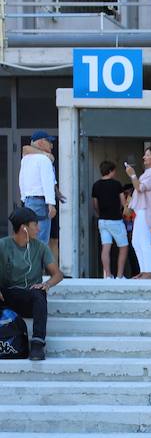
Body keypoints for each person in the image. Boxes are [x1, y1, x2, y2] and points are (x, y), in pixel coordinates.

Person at [0, 206, 64, 361]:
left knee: (39, 294)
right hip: (6, 296)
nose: (39, 228)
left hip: (29, 296)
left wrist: (47, 284)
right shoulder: (3, 245)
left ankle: (37, 344)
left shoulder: (40, 247)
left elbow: (58, 274)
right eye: (35, 224)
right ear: (24, 228)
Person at [125, 146, 151, 280]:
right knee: (137, 241)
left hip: (145, 210)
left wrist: (132, 174)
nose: (144, 157)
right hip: (141, 210)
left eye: (147, 155)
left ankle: (149, 272)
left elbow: (140, 188)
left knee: (143, 240)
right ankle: (144, 270)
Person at [18, 131, 57, 245]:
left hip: (29, 201)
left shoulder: (25, 159)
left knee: (31, 239)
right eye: (49, 142)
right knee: (41, 241)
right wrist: (51, 204)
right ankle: (37, 263)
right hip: (41, 202)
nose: (51, 145)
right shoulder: (44, 159)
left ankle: (30, 263)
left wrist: (24, 198)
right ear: (40, 143)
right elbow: (47, 182)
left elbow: (22, 179)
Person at [92, 161, 129, 280]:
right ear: (110, 171)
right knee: (123, 247)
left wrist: (100, 214)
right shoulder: (117, 184)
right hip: (116, 220)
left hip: (102, 220)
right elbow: (123, 202)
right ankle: (119, 275)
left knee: (106, 247)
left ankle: (108, 275)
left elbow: (95, 204)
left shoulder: (96, 185)